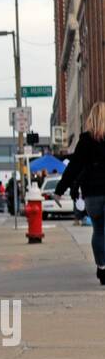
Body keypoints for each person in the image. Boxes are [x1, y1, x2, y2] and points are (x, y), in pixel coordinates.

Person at [55, 103, 105, 284]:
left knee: (99, 230)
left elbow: (73, 167)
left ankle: (102, 267)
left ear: (91, 118)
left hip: (92, 193)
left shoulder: (85, 140)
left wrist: (59, 191)